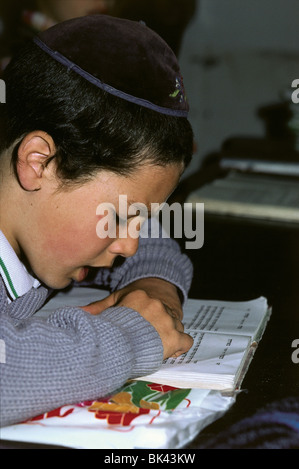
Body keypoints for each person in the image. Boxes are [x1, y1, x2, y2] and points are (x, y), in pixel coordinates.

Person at [0, 14, 194, 427]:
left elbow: (156, 247)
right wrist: (130, 335)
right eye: (123, 217)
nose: (129, 245)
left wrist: (152, 291)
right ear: (40, 162)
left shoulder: (36, 230)